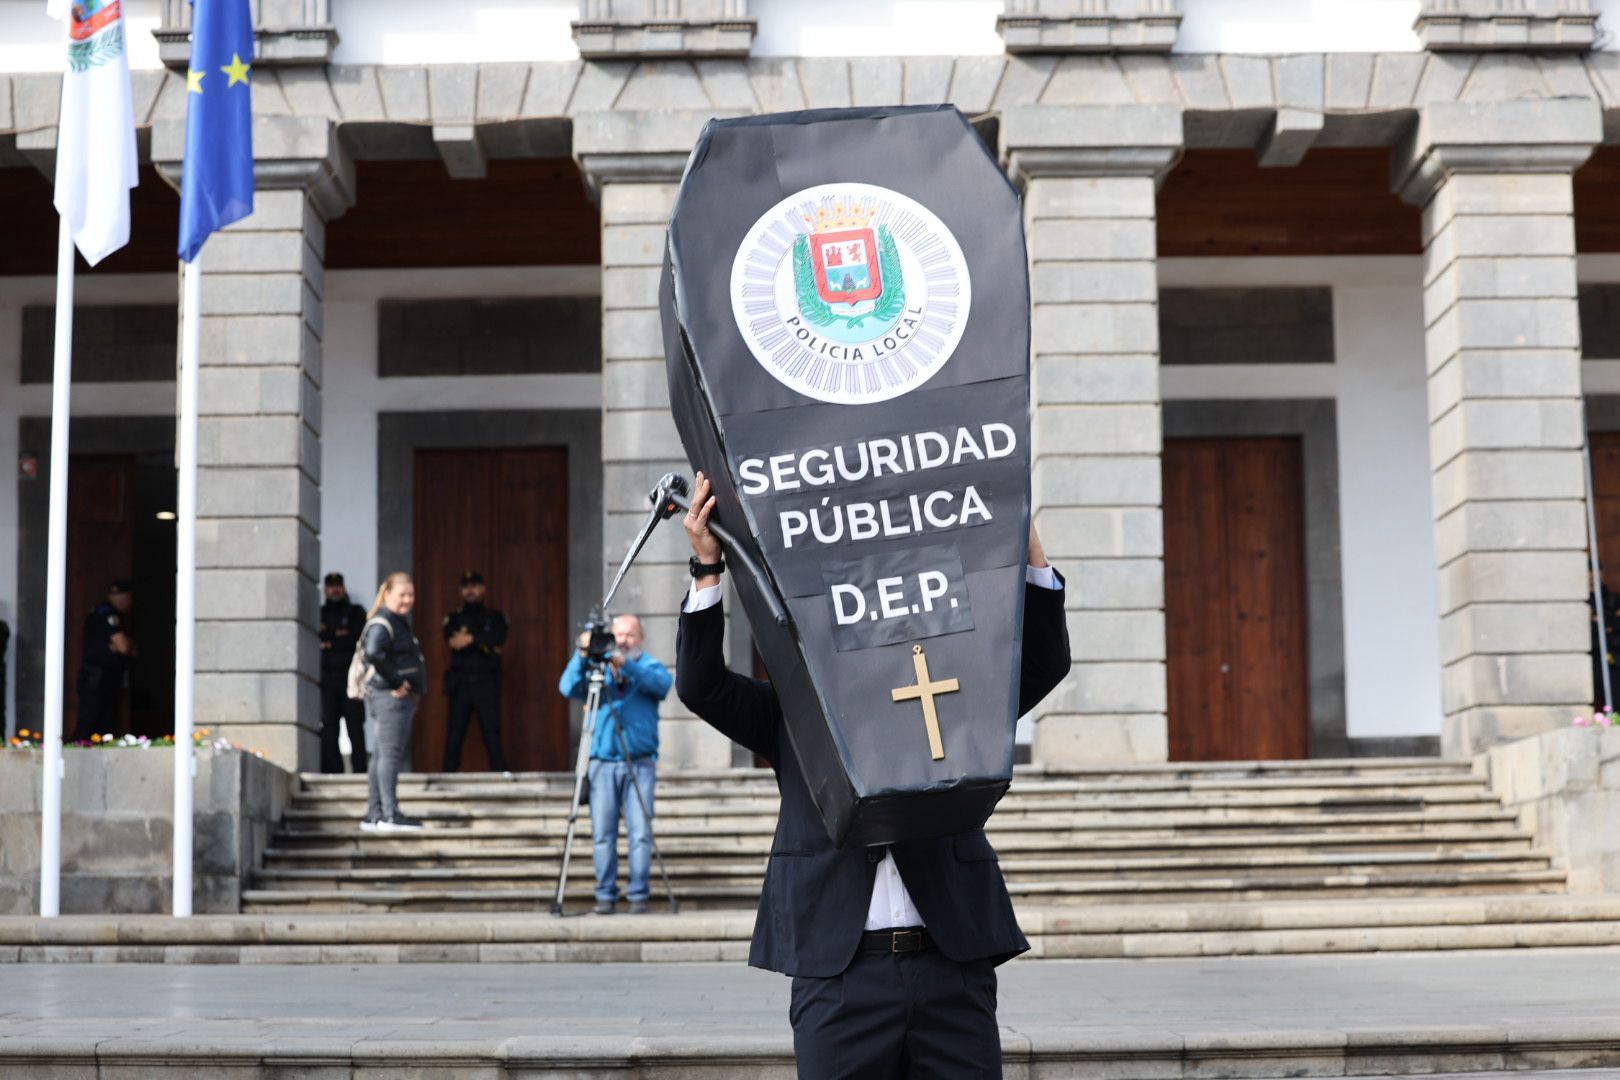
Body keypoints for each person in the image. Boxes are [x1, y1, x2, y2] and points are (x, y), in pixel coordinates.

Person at [675, 472, 1071, 1077]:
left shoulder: (947, 690)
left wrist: (1023, 534)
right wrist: (708, 569)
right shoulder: (796, 708)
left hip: (950, 966)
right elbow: (702, 686)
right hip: (839, 977)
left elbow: (1045, 660)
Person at [558, 612, 672, 914]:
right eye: (618, 635)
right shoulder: (596, 671)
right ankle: (605, 895)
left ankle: (638, 896)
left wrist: (628, 666)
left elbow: (662, 685)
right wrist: (583, 653)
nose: (622, 641)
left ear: (641, 638)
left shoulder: (646, 665)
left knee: (639, 833)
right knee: (602, 834)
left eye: (629, 635)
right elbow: (567, 688)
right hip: (603, 763)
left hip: (640, 764)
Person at [360, 572, 426, 833]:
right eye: (402, 595)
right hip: (390, 697)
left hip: (388, 697)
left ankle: (375, 814)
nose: (407, 600)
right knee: (390, 755)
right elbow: (374, 652)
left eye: (411, 595)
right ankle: (389, 812)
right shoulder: (383, 621)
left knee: (380, 755)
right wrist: (398, 681)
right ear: (387, 594)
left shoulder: (395, 621)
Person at [441, 570, 511, 773]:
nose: (470, 590)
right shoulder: (454, 618)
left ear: (483, 588)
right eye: (466, 586)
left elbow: (498, 639)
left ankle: (500, 774)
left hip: (486, 682)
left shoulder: (494, 617)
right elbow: (453, 641)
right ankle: (447, 776)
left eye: (474, 585)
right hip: (461, 683)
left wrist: (470, 638)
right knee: (455, 732)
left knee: (491, 731)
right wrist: (482, 639)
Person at [71, 580, 136, 742]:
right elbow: (124, 647)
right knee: (89, 723)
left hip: (106, 678)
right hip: (96, 679)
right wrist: (126, 644)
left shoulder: (111, 614)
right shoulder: (108, 614)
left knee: (105, 727)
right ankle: (72, 758)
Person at [318, 572, 369, 774]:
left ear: (344, 587)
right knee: (330, 729)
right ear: (325, 589)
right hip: (327, 680)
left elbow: (358, 642)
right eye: (331, 585)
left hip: (351, 680)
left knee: (355, 728)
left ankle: (360, 773)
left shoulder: (355, 613)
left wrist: (332, 643)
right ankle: (335, 772)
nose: (335, 589)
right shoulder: (319, 614)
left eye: (338, 585)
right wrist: (338, 642)